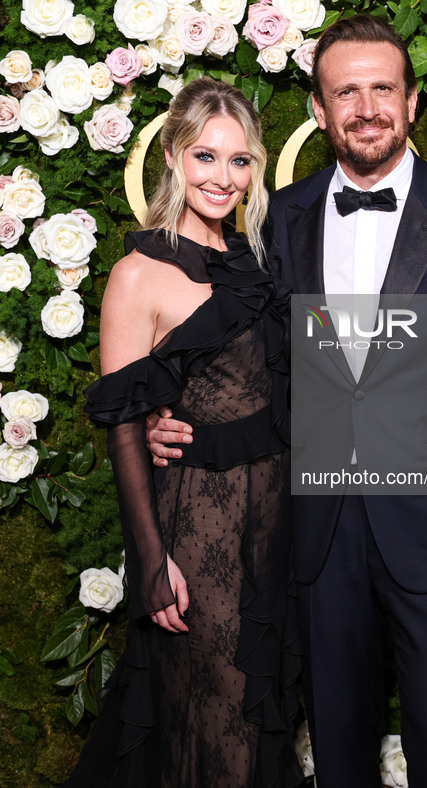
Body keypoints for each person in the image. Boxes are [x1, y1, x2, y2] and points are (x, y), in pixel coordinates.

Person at [147, 16, 427, 788]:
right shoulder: (276, 218)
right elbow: (248, 359)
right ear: (319, 112)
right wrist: (174, 417)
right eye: (344, 92)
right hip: (314, 537)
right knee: (335, 749)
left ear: (411, 101)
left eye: (381, 89)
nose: (366, 108)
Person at [69, 78, 302, 788]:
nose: (222, 177)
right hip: (196, 530)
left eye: (239, 162)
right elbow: (123, 431)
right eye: (205, 156)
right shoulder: (138, 275)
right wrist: (149, 561)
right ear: (171, 155)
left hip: (274, 526)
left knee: (262, 720)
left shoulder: (262, 264)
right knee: (213, 721)